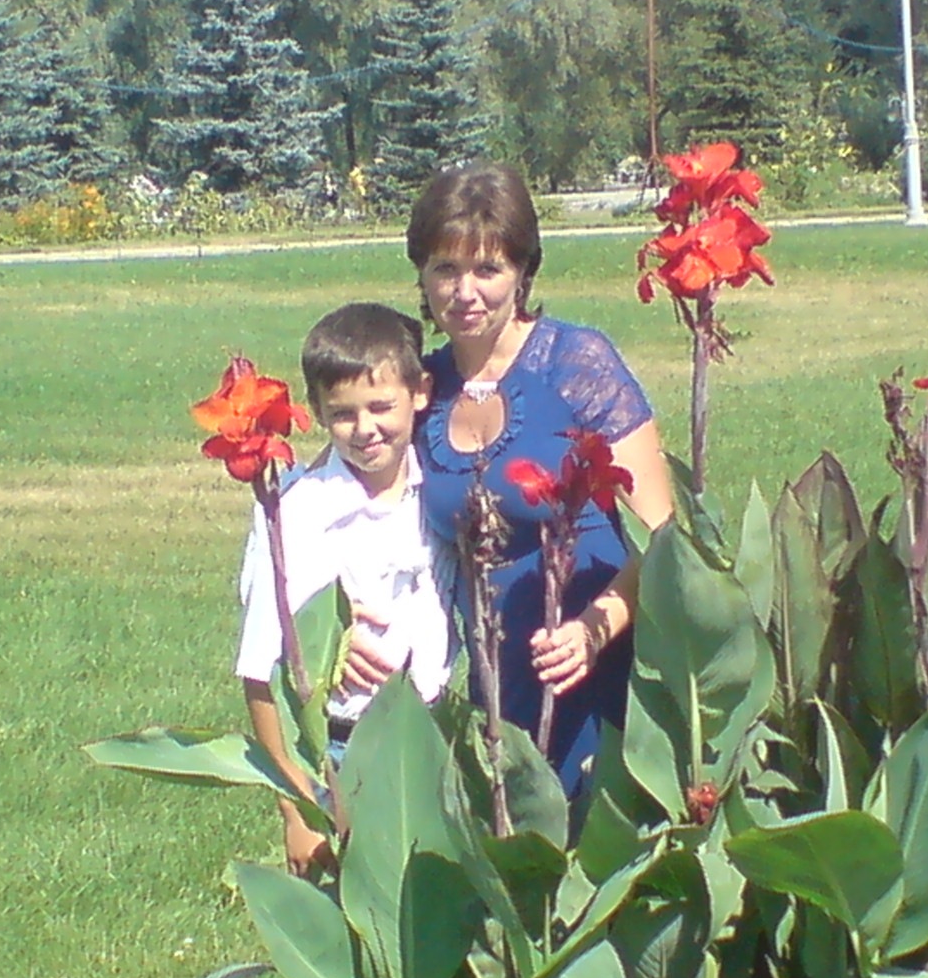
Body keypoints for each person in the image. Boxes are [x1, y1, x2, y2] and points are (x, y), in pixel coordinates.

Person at [399, 160, 675, 797]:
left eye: (487, 269)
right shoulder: (422, 389)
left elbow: (665, 536)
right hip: (499, 681)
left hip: (598, 667)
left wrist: (595, 628)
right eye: (445, 268)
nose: (464, 292)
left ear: (523, 272)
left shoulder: (576, 364)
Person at [237, 301, 456, 877]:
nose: (365, 429)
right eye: (342, 414)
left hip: (435, 733)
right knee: (355, 901)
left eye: (381, 407)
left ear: (420, 393)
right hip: (340, 750)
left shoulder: (440, 488)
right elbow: (259, 670)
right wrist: (297, 809)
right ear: (316, 413)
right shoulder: (299, 514)